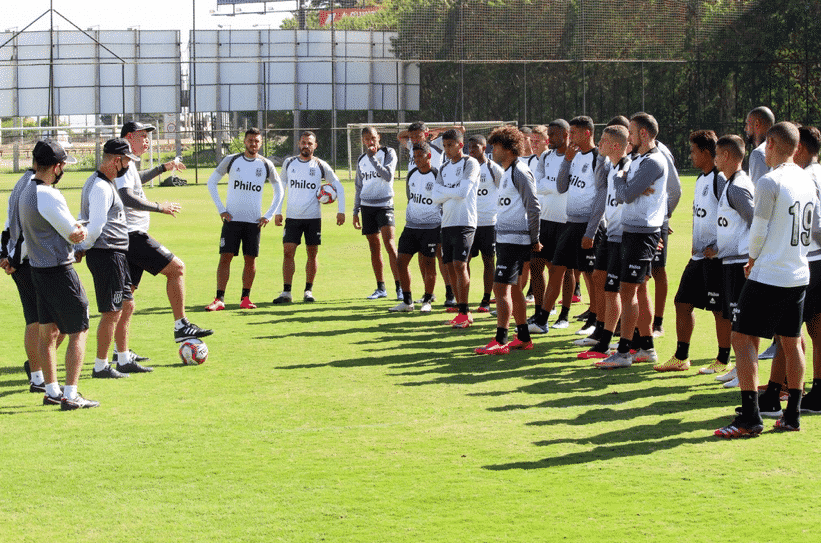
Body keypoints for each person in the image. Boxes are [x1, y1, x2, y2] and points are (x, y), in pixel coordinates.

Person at [715, 122, 820, 437]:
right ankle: (792, 416)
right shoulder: (806, 178)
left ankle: (750, 417)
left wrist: (751, 258)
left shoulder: (770, 180)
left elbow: (759, 229)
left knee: (742, 338)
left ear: (771, 144)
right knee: (791, 341)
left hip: (771, 272)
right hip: (799, 271)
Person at [117, 121, 213, 346]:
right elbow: (126, 196)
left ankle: (120, 352)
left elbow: (136, 180)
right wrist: (159, 207)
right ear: (129, 137)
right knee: (177, 269)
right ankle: (182, 326)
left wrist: (163, 168)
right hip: (132, 235)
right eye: (142, 135)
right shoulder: (122, 163)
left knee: (125, 299)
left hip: (129, 236)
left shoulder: (126, 164)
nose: (147, 140)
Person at [18, 140, 97, 409]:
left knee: (48, 331)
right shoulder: (48, 194)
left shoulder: (26, 191)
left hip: (38, 269)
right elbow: (73, 234)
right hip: (59, 270)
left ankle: (51, 390)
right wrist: (82, 231)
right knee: (79, 328)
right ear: (57, 167)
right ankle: (70, 394)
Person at [654, 130, 732, 374]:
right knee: (682, 302)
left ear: (706, 153)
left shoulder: (720, 180)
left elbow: (733, 217)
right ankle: (681, 357)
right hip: (698, 256)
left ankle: (723, 359)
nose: (690, 156)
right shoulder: (701, 179)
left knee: (719, 310)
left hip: (716, 258)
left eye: (693, 151)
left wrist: (718, 247)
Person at [595, 113, 668, 369]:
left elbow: (625, 194)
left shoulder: (653, 162)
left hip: (642, 234)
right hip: (633, 232)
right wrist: (627, 184)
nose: (630, 139)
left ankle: (624, 352)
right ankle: (646, 348)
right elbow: (627, 192)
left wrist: (622, 180)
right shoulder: (639, 160)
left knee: (628, 292)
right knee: (636, 291)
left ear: (643, 134)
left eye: (633, 133)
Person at [76, 138, 142, 379]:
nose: (128, 165)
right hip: (107, 254)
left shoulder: (103, 183)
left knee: (127, 304)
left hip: (116, 254)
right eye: (127, 161)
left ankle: (123, 359)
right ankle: (101, 366)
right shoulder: (101, 187)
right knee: (111, 311)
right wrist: (83, 246)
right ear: (116, 160)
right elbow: (95, 226)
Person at [530, 116, 601, 336]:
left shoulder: (598, 158)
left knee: (591, 275)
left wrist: (591, 230)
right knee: (557, 268)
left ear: (586, 133)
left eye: (574, 132)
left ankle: (594, 320)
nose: (571, 136)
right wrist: (567, 161)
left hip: (587, 224)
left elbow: (601, 196)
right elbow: (561, 187)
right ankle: (542, 319)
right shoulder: (572, 157)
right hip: (570, 222)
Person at [475, 125, 541, 354]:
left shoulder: (520, 171)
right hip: (505, 238)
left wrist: (535, 238)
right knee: (513, 289)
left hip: (516, 239)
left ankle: (500, 340)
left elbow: (534, 206)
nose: (492, 151)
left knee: (500, 287)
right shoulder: (506, 171)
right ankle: (523, 337)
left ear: (509, 148)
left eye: (496, 146)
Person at [2, 166, 65, 392]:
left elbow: (9, 224)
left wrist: (6, 254)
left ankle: (37, 374)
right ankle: (38, 372)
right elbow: (26, 229)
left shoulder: (23, 182)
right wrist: (14, 259)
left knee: (35, 319)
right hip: (31, 260)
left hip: (22, 259)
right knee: (57, 321)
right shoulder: (34, 187)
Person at [206, 128, 283, 310]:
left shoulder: (266, 164)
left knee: (250, 259)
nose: (253, 144)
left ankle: (245, 299)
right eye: (250, 140)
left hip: (253, 222)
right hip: (232, 220)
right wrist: (221, 209)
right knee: (225, 257)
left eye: (257, 141)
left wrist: (269, 214)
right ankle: (219, 299)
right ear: (244, 141)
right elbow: (211, 182)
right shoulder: (231, 160)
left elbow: (279, 190)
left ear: (261, 143)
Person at [577, 125, 631, 360]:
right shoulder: (612, 166)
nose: (599, 143)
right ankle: (602, 332)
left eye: (604, 140)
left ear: (616, 145)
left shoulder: (629, 167)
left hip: (623, 236)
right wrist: (600, 158)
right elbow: (601, 188)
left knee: (617, 289)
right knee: (600, 279)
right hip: (610, 233)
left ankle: (612, 340)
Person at [272, 131, 345, 303]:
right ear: (299, 144)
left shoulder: (320, 165)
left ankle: (308, 291)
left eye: (310, 143)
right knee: (288, 252)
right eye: (303, 142)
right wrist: (277, 211)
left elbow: (339, 186)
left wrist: (341, 210)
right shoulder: (289, 163)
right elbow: (281, 188)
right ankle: (286, 292)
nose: (306, 145)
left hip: (313, 218)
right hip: (292, 217)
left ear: (315, 146)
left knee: (312, 254)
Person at [708, 135, 754, 377]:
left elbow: (755, 222)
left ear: (726, 155)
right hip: (730, 261)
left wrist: (752, 256)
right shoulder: (729, 182)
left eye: (717, 154)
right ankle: (740, 369)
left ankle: (742, 372)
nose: (714, 159)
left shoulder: (737, 186)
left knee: (741, 325)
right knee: (737, 323)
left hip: (739, 263)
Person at [432, 129, 481, 328]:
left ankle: (465, 312)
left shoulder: (470, 163)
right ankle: (460, 310)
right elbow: (435, 196)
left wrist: (445, 192)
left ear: (460, 145)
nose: (447, 149)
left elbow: (463, 192)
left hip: (465, 221)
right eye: (444, 146)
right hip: (447, 222)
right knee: (450, 266)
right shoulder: (444, 167)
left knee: (460, 265)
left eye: (450, 145)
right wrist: (451, 192)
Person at [531, 120, 575, 331]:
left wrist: (551, 186)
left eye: (554, 134)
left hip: (566, 221)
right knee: (536, 266)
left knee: (565, 271)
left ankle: (564, 315)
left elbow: (564, 188)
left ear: (566, 134)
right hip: (545, 220)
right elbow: (536, 185)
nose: (549, 139)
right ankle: (539, 312)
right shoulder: (546, 157)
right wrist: (555, 186)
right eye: (548, 134)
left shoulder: (575, 157)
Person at [391, 141, 440, 313]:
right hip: (411, 227)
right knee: (400, 262)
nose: (417, 159)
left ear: (429, 156)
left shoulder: (437, 175)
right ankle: (407, 301)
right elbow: (410, 198)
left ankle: (427, 300)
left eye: (420, 156)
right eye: (415, 156)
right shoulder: (412, 174)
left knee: (429, 264)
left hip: (431, 228)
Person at [352, 127, 400, 300]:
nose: (370, 141)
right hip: (367, 207)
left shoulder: (388, 153)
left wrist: (373, 158)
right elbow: (359, 186)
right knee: (374, 248)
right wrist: (355, 210)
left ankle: (400, 287)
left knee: (390, 245)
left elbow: (387, 176)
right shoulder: (361, 159)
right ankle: (381, 288)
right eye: (366, 139)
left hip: (385, 205)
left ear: (378, 137)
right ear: (363, 141)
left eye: (372, 137)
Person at [467, 134, 503, 313]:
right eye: (470, 147)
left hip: (489, 222)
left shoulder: (493, 168)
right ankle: (463, 300)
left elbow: (504, 191)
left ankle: (486, 299)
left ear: (484, 147)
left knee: (489, 261)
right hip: (469, 222)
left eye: (475, 147)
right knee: (464, 260)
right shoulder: (466, 167)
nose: (472, 150)